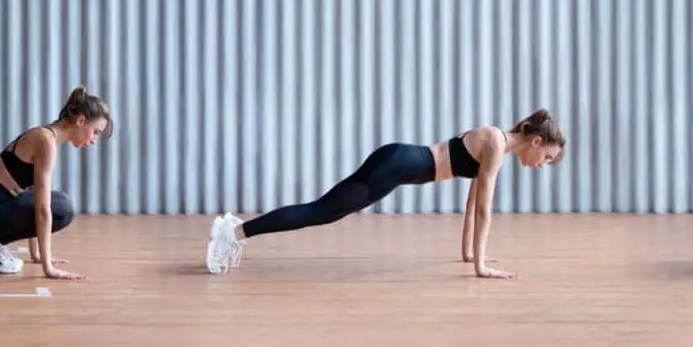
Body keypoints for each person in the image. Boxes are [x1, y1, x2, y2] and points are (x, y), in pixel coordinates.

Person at [204, 108, 566, 279]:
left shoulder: (496, 145)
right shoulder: (494, 142)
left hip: (397, 161)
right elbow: (485, 209)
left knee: (324, 210)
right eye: (546, 158)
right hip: (396, 164)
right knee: (321, 211)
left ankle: (235, 230)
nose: (541, 165)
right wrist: (481, 267)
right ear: (536, 141)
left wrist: (471, 255)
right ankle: (233, 233)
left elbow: (472, 203)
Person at [0, 86, 113, 280]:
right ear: (80, 121)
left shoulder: (44, 136)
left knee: (59, 202)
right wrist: (48, 269)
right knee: (62, 207)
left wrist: (36, 255)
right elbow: (43, 210)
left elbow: (32, 198)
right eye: (95, 131)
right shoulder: (45, 142)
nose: (94, 140)